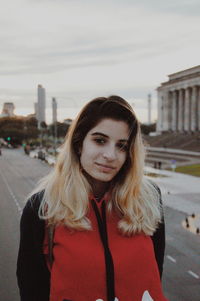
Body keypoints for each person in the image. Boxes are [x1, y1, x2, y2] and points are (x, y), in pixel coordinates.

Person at [17, 96, 167, 301]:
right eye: (100, 140)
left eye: (122, 146)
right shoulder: (41, 207)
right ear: (79, 143)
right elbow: (32, 289)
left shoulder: (149, 197)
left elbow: (155, 275)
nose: (110, 155)